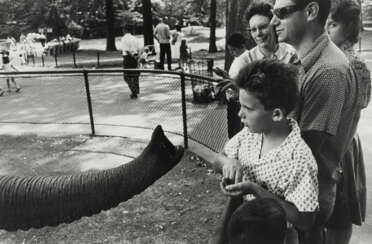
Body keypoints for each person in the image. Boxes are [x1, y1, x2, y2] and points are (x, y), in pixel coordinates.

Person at [270, 0, 361, 243]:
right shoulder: (305, 61)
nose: (272, 21)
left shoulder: (328, 71)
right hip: (297, 193)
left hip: (305, 199)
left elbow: (304, 150)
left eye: (282, 13)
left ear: (310, 11)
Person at [210, 59, 319, 244]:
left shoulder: (299, 159)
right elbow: (218, 159)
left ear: (276, 114)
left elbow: (305, 220)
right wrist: (228, 164)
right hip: (244, 228)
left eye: (248, 108)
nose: (239, 114)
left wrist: (254, 189)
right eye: (240, 105)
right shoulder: (250, 134)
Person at [325, 1, 369, 243]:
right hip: (330, 142)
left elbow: (354, 110)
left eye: (333, 24)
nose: (327, 29)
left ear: (349, 27)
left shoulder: (353, 64)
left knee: (339, 214)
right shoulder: (330, 57)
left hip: (341, 144)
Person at [214, 32, 247, 138]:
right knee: (232, 130)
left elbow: (241, 83)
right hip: (232, 100)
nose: (231, 52)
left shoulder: (246, 59)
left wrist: (225, 76)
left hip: (240, 101)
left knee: (237, 132)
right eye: (229, 50)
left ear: (241, 46)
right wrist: (224, 75)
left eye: (233, 49)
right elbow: (233, 78)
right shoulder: (238, 57)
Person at [121, 26, 141, 99]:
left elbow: (127, 50)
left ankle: (134, 90)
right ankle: (136, 90)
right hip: (135, 56)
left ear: (125, 30)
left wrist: (133, 56)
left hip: (128, 58)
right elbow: (139, 49)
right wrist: (137, 57)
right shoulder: (135, 38)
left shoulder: (124, 38)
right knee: (135, 74)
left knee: (126, 76)